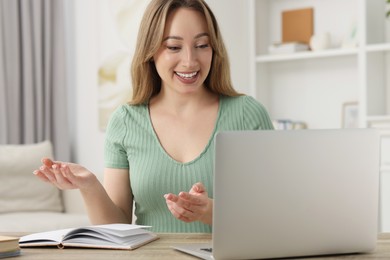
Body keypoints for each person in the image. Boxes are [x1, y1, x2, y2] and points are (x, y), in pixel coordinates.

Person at [33, 0, 274, 233]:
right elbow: (118, 228)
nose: (190, 61)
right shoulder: (125, 121)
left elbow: (271, 214)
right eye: (173, 47)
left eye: (202, 45)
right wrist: (90, 187)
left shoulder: (247, 115)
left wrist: (210, 212)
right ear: (150, 51)